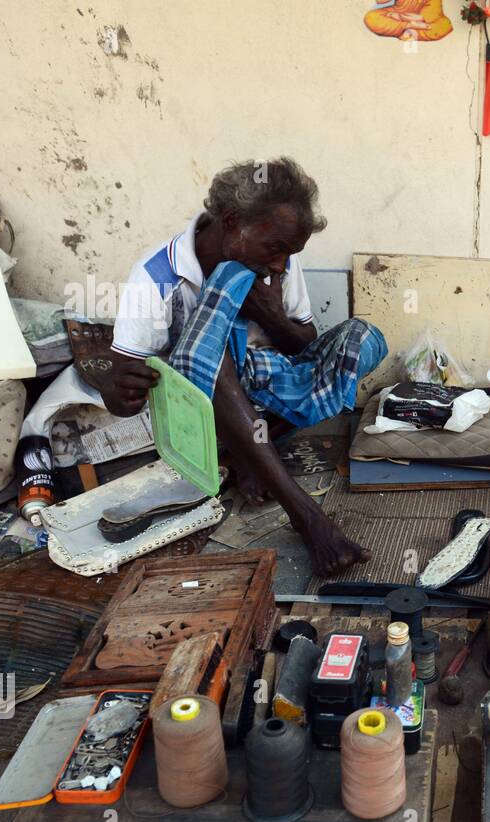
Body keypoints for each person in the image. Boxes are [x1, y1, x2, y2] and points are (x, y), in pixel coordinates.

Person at [100, 157, 386, 576]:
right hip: (202, 418)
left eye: (291, 253)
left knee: (361, 338)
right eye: (276, 249)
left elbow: (305, 347)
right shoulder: (156, 277)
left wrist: (272, 316)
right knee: (217, 351)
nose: (281, 265)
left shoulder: (278, 261)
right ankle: (305, 515)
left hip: (267, 401)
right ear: (232, 221)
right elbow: (121, 399)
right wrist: (117, 390)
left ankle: (252, 457)